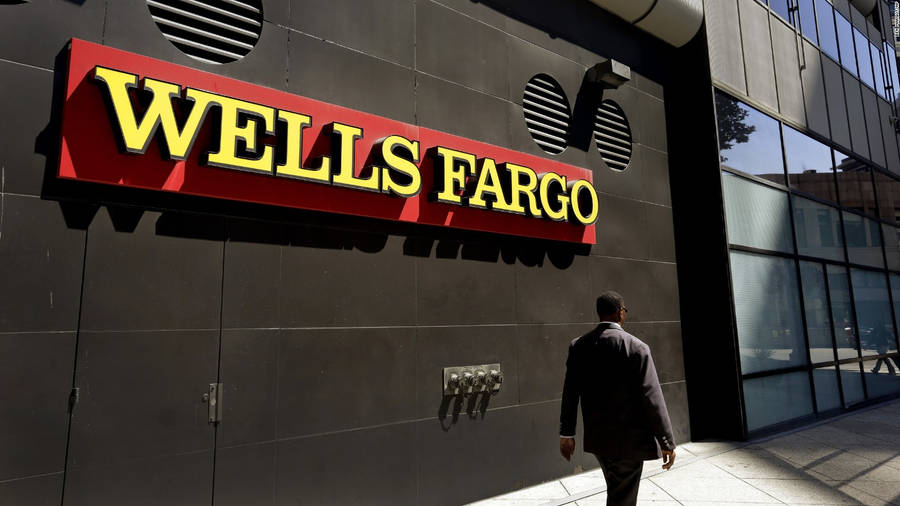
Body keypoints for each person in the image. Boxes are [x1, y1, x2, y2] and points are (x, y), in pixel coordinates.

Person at [559, 291, 676, 506]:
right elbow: (652, 397)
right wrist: (667, 441)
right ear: (620, 312)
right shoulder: (636, 347)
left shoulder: (579, 346)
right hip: (628, 443)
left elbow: (570, 392)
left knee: (618, 491)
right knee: (623, 497)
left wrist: (567, 433)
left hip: (598, 440)